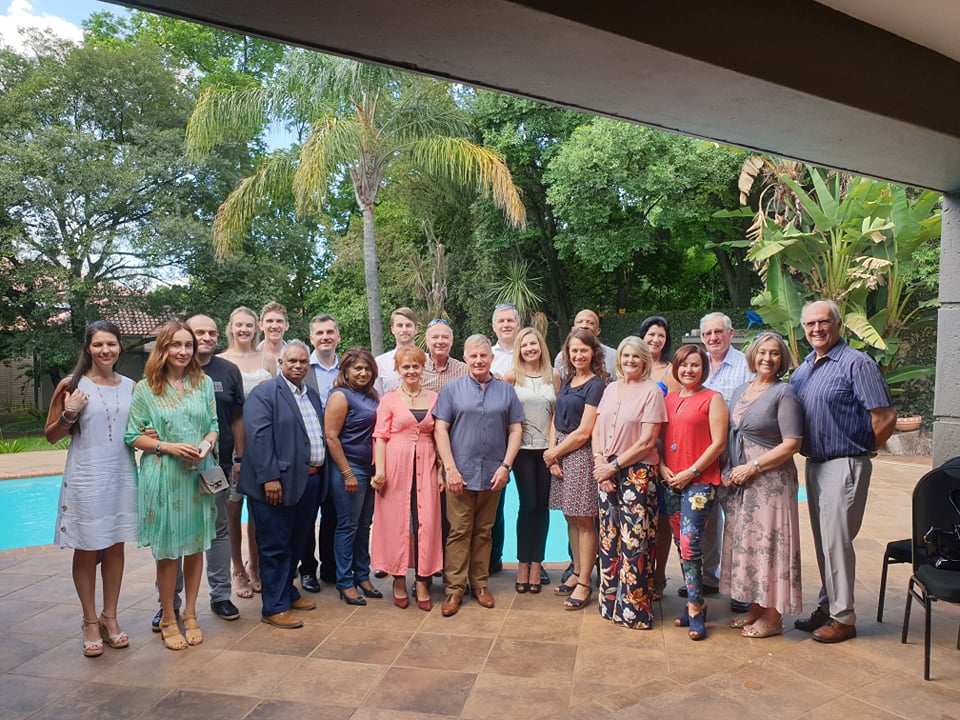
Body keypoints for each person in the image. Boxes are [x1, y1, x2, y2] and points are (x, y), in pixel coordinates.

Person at [791, 300, 895, 643]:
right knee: (824, 543)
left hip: (844, 462)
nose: (816, 329)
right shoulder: (804, 369)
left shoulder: (856, 364)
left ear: (837, 324)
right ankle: (828, 607)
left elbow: (885, 417)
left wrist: (863, 449)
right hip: (815, 464)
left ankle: (844, 618)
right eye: (810, 324)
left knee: (837, 542)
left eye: (823, 322)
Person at [45, 320, 137, 657]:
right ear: (88, 348)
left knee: (115, 546)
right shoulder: (71, 384)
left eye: (111, 343)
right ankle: (89, 621)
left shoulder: (131, 386)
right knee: (86, 547)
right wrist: (69, 413)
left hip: (121, 474)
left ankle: (110, 617)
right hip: (87, 475)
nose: (105, 350)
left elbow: (137, 430)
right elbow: (51, 435)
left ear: (119, 347)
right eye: (98, 344)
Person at [125, 320, 219, 651]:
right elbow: (132, 436)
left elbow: (213, 425)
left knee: (195, 547)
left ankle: (190, 613)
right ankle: (168, 616)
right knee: (167, 551)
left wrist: (207, 445)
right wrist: (167, 446)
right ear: (163, 348)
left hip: (197, 474)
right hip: (164, 475)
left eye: (188, 345)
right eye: (175, 344)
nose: (183, 351)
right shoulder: (145, 388)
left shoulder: (203, 383)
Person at [720, 332, 804, 638]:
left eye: (775, 353)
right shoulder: (741, 389)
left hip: (771, 481)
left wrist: (752, 466)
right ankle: (756, 608)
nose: (767, 358)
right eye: (762, 352)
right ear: (753, 355)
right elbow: (732, 434)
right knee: (751, 544)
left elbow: (792, 443)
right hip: (742, 481)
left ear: (782, 359)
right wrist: (729, 469)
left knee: (771, 544)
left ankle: (773, 616)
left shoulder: (785, 393)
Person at [434, 334, 524, 617]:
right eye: (473, 356)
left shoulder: (506, 391)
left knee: (484, 532)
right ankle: (454, 589)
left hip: (493, 473)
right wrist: (450, 468)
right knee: (459, 531)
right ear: (465, 359)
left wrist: (506, 466)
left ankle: (480, 585)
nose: (478, 360)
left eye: (483, 355)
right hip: (460, 474)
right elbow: (440, 429)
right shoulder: (452, 390)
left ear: (491, 358)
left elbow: (516, 429)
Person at [238, 340, 326, 628]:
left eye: (303, 362)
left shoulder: (311, 395)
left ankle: (287, 591)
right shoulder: (264, 394)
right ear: (281, 363)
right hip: (277, 484)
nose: (298, 366)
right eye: (292, 361)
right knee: (275, 545)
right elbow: (259, 438)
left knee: (296, 542)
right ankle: (274, 607)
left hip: (308, 481)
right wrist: (270, 478)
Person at [593, 337, 667, 629]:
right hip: (607, 469)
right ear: (619, 359)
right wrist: (600, 463)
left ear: (645, 360)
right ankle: (610, 603)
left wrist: (613, 467)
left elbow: (647, 441)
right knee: (609, 537)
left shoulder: (652, 392)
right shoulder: (610, 389)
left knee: (634, 541)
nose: (630, 361)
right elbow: (597, 429)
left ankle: (633, 610)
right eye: (625, 356)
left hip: (637, 472)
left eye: (636, 356)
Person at [660, 344, 728, 641]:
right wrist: (662, 467)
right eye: (684, 365)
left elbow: (718, 443)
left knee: (690, 543)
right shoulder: (668, 399)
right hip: (671, 481)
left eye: (695, 365)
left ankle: (696, 607)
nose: (689, 370)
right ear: (676, 368)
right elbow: (658, 439)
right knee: (681, 544)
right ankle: (695, 601)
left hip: (700, 481)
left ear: (704, 368)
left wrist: (692, 471)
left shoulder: (713, 399)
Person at [370, 346, 442, 611]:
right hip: (396, 465)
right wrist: (380, 470)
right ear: (398, 370)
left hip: (427, 463)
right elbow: (380, 436)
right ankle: (398, 580)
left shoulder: (434, 397)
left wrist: (442, 470)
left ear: (423, 369)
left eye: (416, 366)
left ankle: (422, 581)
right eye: (406, 367)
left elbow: (440, 435)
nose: (411, 371)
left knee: (427, 522)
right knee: (396, 522)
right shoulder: (389, 399)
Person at [186, 314, 244, 622]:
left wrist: (239, 458)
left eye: (211, 332)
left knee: (219, 530)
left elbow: (237, 418)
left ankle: (220, 596)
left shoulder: (227, 371)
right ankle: (168, 602)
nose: (207, 337)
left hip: (218, 466)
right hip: (179, 467)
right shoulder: (172, 370)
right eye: (200, 332)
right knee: (179, 532)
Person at [543, 328, 607, 611]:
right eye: (574, 350)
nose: (579, 355)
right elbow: (555, 417)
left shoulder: (596, 385)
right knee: (569, 516)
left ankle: (585, 582)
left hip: (579, 454)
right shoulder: (569, 379)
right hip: (560, 452)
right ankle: (577, 570)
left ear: (593, 353)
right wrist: (552, 456)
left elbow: (584, 431)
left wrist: (554, 453)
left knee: (583, 519)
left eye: (584, 350)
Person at [695, 312, 753, 612]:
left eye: (718, 332)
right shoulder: (698, 364)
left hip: (734, 456)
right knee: (705, 522)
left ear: (731, 334)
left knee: (738, 523)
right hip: (702, 458)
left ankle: (741, 588)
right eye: (708, 333)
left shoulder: (745, 366)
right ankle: (708, 577)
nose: (713, 338)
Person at [219, 306, 275, 598]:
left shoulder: (268, 359)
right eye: (239, 324)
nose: (244, 330)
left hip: (262, 443)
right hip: (231, 444)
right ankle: (237, 568)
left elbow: (277, 402)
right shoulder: (221, 361)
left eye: (249, 325)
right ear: (231, 327)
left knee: (258, 509)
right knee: (232, 507)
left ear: (257, 328)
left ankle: (255, 565)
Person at [503, 327, 560, 593]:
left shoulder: (553, 375)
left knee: (543, 507)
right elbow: (504, 415)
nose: (530, 349)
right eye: (524, 345)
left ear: (541, 346)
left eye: (533, 344)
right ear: (519, 349)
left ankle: (537, 563)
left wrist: (554, 451)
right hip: (522, 450)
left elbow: (556, 416)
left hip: (546, 450)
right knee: (528, 505)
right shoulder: (512, 377)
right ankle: (522, 563)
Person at [325, 347, 381, 605]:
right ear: (346, 370)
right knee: (348, 526)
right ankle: (345, 582)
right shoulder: (341, 395)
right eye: (357, 368)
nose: (363, 373)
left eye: (367, 368)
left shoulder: (371, 395)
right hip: (350, 468)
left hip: (370, 469)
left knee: (364, 524)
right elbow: (331, 437)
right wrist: (347, 472)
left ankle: (362, 575)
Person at [637, 315, 680, 600]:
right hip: (632, 453)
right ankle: (637, 573)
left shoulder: (671, 371)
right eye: (651, 334)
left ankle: (659, 575)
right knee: (638, 517)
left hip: (661, 452)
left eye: (661, 336)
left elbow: (675, 414)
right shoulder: (630, 365)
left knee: (662, 518)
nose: (655, 340)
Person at [299, 313, 342, 593]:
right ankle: (307, 569)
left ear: (337, 336)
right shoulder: (302, 367)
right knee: (306, 515)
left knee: (334, 514)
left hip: (338, 452)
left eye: (329, 332)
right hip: (309, 453)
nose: (325, 337)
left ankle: (330, 567)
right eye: (319, 333)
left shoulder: (346, 368)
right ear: (311, 338)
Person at [553, 309, 617, 379]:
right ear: (573, 329)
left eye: (590, 323)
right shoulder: (561, 358)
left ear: (598, 331)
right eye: (580, 322)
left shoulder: (613, 357)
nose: (584, 326)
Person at [376, 307, 418, 394]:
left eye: (408, 325)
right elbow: (377, 396)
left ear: (416, 329)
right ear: (392, 330)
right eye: (399, 325)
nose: (404, 330)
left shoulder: (427, 360)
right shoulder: (380, 363)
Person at [422, 318, 468, 393]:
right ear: (427, 341)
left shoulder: (464, 371)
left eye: (445, 337)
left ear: (451, 341)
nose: (440, 341)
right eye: (435, 337)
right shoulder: (417, 370)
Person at [258, 301, 289, 367]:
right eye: (269, 321)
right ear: (261, 325)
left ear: (286, 326)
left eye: (279, 321)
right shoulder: (249, 356)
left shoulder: (297, 356)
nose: (274, 326)